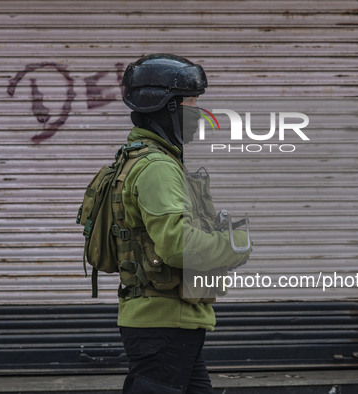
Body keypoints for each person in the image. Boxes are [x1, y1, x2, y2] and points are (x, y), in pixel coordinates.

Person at [115, 53, 251, 393]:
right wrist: (233, 246)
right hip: (163, 324)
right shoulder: (157, 168)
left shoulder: (145, 158)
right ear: (167, 107)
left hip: (172, 322)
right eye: (192, 102)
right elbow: (177, 244)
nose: (199, 113)